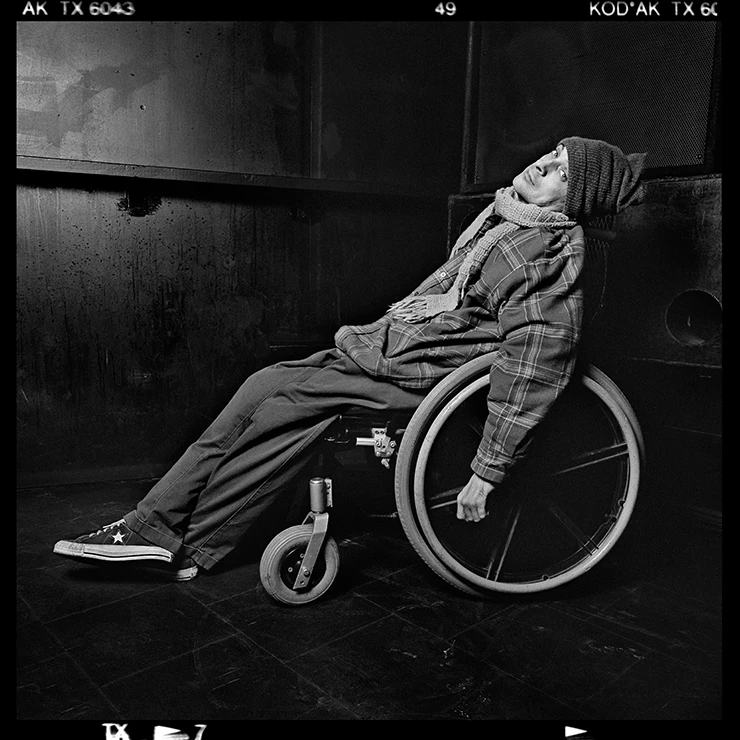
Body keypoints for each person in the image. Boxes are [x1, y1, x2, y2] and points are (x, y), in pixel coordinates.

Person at [53, 137, 646, 581]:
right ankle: (151, 526)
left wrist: (488, 471)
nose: (543, 165)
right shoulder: (510, 219)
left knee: (284, 407)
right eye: (552, 155)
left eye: (562, 173)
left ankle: (194, 546)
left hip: (429, 375)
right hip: (406, 348)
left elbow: (537, 361)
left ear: (575, 202)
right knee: (263, 383)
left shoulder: (549, 252)